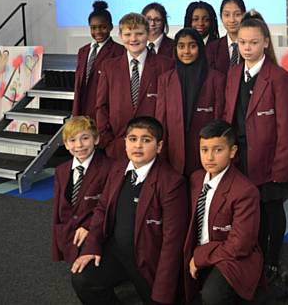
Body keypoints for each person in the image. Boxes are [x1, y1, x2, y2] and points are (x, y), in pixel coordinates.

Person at [223, 11, 288, 298]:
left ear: (265, 43)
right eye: (243, 42)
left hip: (270, 160)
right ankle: (253, 258)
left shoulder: (278, 77)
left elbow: (287, 126)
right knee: (248, 211)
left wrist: (281, 166)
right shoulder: (233, 75)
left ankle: (272, 260)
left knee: (272, 211)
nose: (247, 47)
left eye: (253, 42)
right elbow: (228, 117)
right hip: (241, 158)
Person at [71, 117, 187, 305]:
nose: (138, 146)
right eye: (132, 139)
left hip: (148, 259)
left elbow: (172, 242)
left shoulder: (172, 183)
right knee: (83, 279)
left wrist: (163, 288)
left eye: (146, 140)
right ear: (125, 143)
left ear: (159, 146)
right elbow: (101, 210)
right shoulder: (117, 168)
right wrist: (91, 247)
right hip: (117, 252)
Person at [183, 120, 264, 305]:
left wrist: (200, 256)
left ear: (232, 151)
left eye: (218, 150)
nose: (209, 157)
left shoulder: (245, 190)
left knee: (212, 296)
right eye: (204, 150)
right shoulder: (195, 179)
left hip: (231, 256)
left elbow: (240, 245)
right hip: (200, 248)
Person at [96, 13, 174, 161]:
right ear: (120, 35)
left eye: (139, 33)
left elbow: (169, 109)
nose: (133, 39)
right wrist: (107, 141)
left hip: (152, 146)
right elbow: (102, 106)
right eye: (127, 34)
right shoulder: (109, 67)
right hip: (118, 146)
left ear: (148, 34)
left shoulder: (166, 65)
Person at [156, 28, 225, 176]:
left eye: (192, 46)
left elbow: (219, 118)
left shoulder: (216, 78)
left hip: (205, 150)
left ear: (200, 48)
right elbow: (161, 119)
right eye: (181, 46)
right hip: (174, 152)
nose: (186, 51)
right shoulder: (165, 79)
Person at [52, 116, 112, 264]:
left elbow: (109, 207)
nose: (79, 145)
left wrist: (89, 227)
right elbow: (58, 210)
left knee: (84, 280)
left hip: (96, 231)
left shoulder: (109, 168)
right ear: (66, 145)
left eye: (85, 138)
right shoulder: (61, 170)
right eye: (72, 140)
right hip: (68, 233)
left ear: (96, 139)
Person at [72, 1, 124, 118]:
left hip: (103, 112)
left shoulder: (119, 51)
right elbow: (79, 84)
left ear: (110, 26)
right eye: (93, 28)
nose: (98, 32)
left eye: (103, 27)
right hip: (82, 110)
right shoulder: (83, 51)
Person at [205, 0, 246, 74]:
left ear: (244, 16)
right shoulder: (212, 48)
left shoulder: (251, 45)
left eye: (237, 14)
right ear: (221, 17)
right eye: (227, 15)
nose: (232, 20)